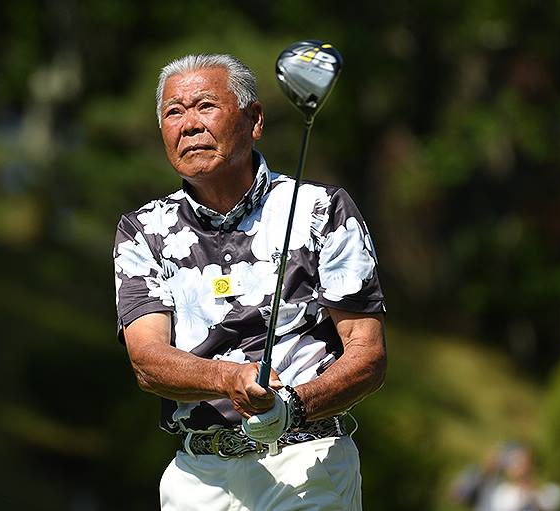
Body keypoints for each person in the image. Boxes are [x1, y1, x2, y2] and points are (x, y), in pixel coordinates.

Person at [113, 53, 387, 511]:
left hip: (307, 462)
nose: (190, 125)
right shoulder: (143, 230)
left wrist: (293, 406)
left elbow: (368, 354)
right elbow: (147, 361)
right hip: (198, 475)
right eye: (174, 112)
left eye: (205, 106)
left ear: (254, 120)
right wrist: (228, 378)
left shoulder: (323, 210)